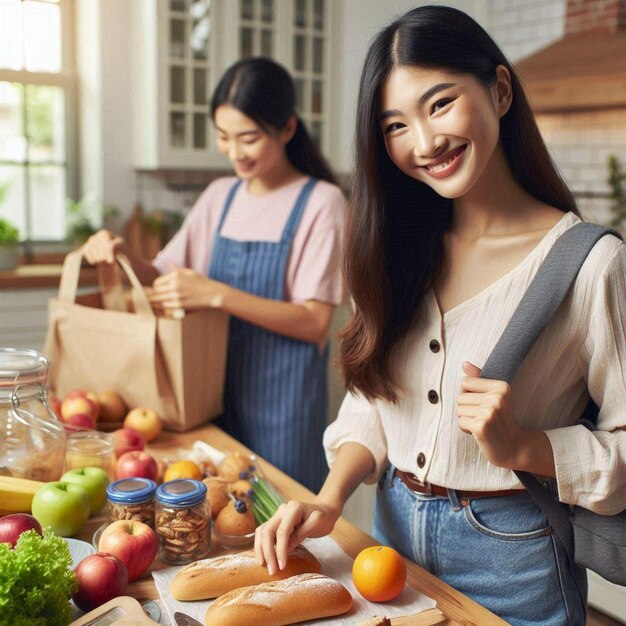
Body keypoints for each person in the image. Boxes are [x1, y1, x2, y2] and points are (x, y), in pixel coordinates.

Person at [253, 7, 626, 625]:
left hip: (516, 558)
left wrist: (526, 446)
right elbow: (375, 402)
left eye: (440, 103)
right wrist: (328, 500)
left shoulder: (594, 265)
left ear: (500, 90)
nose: (424, 143)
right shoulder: (395, 250)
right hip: (388, 536)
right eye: (395, 124)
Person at [82, 58, 346, 492]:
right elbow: (162, 274)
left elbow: (315, 321)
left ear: (287, 129)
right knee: (222, 524)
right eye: (224, 137)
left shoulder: (321, 202)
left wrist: (216, 294)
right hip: (208, 397)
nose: (234, 152)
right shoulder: (220, 196)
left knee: (284, 527)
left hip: (282, 408)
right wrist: (120, 251)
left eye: (249, 138)